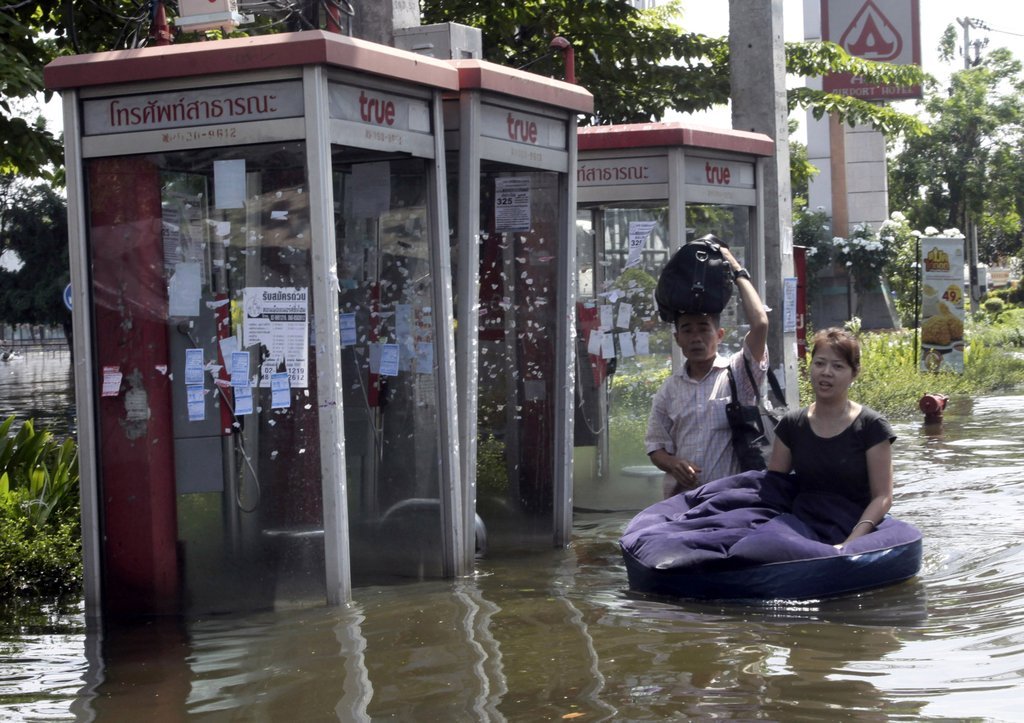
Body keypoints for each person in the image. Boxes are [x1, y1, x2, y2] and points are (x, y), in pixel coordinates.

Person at [645, 243, 769, 498]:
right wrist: (673, 464)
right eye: (687, 330)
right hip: (684, 503)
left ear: (719, 335)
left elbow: (760, 323)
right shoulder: (669, 390)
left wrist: (736, 270)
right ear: (677, 338)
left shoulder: (738, 373)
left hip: (731, 501)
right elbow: (656, 447)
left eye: (704, 329)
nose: (696, 338)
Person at [767, 327, 894, 547]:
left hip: (852, 524)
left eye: (838, 366)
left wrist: (850, 543)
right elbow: (775, 489)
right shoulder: (791, 425)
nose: (826, 372)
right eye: (819, 363)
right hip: (803, 523)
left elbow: (883, 496)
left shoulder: (872, 426)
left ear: (854, 373)